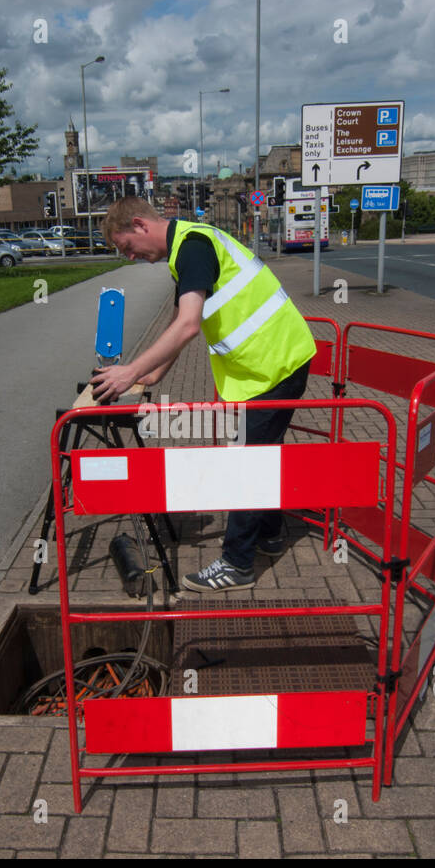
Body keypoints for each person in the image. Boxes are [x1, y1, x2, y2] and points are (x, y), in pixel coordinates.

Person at [93, 196, 315, 593]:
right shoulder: (188, 247)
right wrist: (149, 377)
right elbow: (179, 327)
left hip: (273, 366)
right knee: (259, 452)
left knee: (246, 462)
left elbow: (187, 327)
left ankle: (237, 565)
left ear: (141, 225)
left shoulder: (193, 248)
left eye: (127, 247)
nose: (131, 257)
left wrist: (130, 372)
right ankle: (271, 533)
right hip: (273, 364)